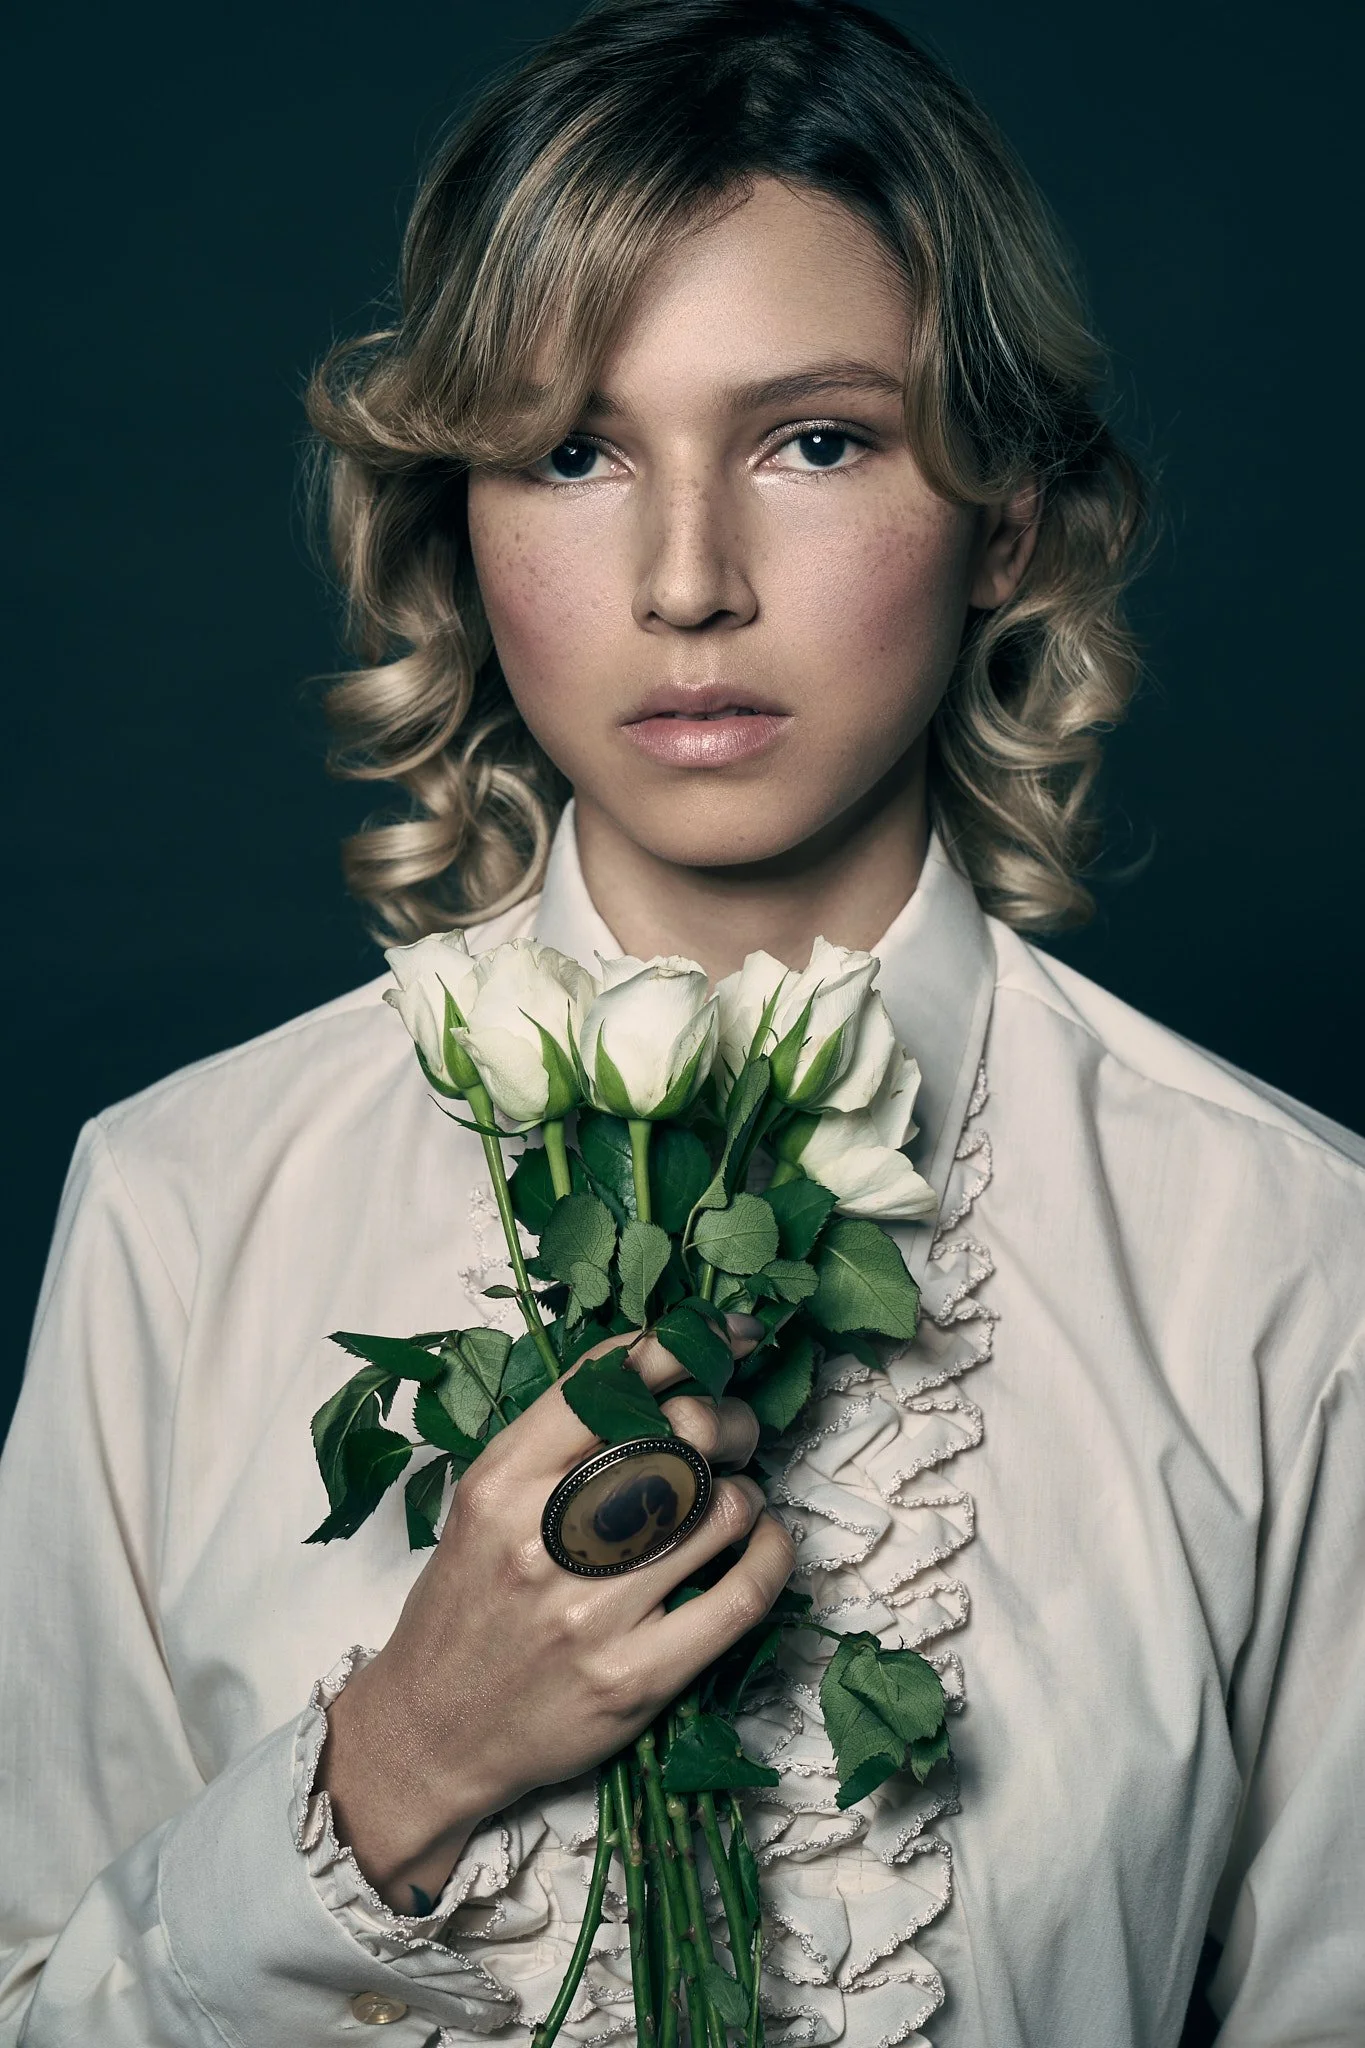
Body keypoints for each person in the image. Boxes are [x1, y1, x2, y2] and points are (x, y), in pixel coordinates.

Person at [2, 1, 1361, 2043]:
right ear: (456, 515)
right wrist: (398, 1762)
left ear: (1002, 511)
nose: (688, 579)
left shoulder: (1288, 1260)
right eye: (573, 449)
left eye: (815, 440)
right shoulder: (180, 1207)